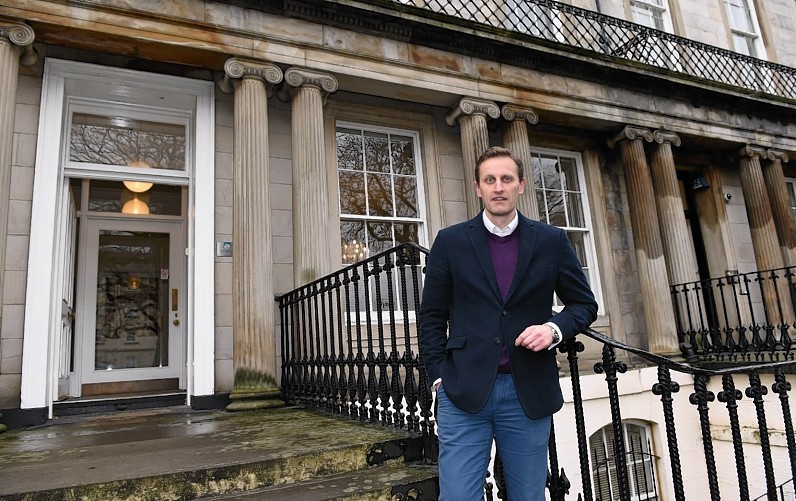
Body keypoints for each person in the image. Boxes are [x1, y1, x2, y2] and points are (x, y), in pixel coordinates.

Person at [419, 146, 598, 500]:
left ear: (520, 185)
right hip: (464, 391)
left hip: (526, 391)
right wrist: (439, 377)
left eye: (506, 179)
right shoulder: (450, 242)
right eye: (490, 180)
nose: (498, 187)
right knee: (457, 496)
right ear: (477, 188)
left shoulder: (551, 240)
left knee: (527, 496)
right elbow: (432, 316)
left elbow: (583, 304)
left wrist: (553, 329)